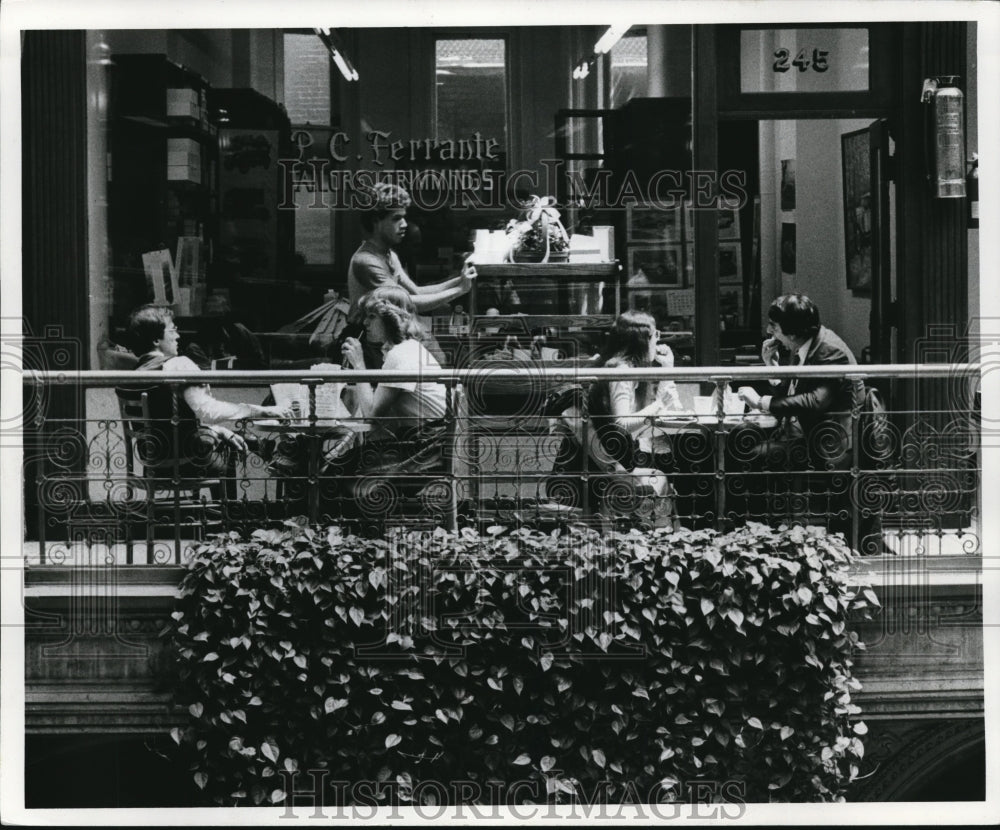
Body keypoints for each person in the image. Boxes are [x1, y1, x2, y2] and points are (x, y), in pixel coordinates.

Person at [547, 311, 681, 524]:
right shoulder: (622, 371)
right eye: (656, 334)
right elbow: (622, 424)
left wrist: (667, 370)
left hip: (605, 460)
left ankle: (653, 540)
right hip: (595, 468)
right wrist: (659, 404)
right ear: (643, 338)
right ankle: (658, 542)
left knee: (663, 467)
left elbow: (669, 408)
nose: (659, 340)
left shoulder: (620, 367)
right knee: (662, 476)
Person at [125, 304, 290, 476]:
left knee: (228, 435)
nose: (179, 336)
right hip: (188, 460)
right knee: (227, 452)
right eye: (173, 330)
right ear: (156, 340)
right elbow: (208, 411)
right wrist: (261, 411)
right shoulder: (177, 364)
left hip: (152, 462)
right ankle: (232, 501)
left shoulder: (134, 375)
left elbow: (167, 421)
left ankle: (269, 452)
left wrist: (216, 430)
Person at [338, 286, 450, 500]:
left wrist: (359, 365)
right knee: (343, 462)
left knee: (336, 470)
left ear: (390, 320)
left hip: (423, 452)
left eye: (372, 317)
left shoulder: (401, 356)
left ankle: (344, 527)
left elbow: (371, 415)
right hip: (426, 444)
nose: (365, 323)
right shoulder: (408, 349)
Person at [737, 293, 863, 468]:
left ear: (792, 333)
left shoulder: (830, 350)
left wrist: (760, 402)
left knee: (748, 456)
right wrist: (772, 368)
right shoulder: (803, 344)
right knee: (740, 437)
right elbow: (793, 394)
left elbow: (815, 401)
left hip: (826, 445)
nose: (768, 331)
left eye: (774, 326)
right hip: (802, 433)